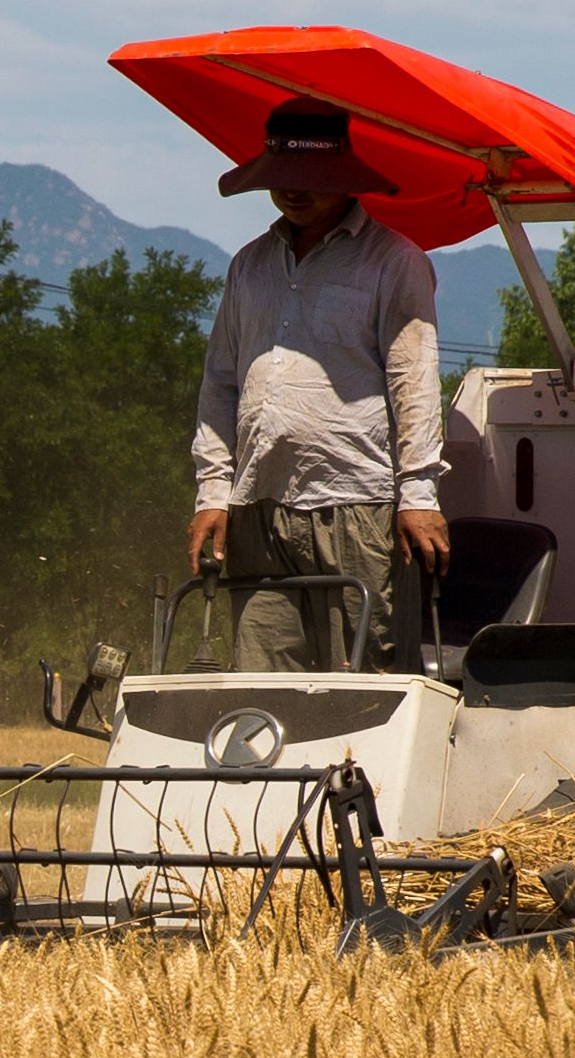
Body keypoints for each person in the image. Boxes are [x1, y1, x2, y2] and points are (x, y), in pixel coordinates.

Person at [188, 99, 446, 672]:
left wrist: (420, 497)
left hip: (356, 502)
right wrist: (212, 492)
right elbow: (220, 385)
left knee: (360, 679)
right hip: (258, 504)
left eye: (310, 180)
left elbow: (415, 386)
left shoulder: (394, 263)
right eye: (283, 180)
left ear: (342, 181)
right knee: (260, 673)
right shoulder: (249, 266)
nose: (293, 193)